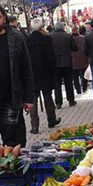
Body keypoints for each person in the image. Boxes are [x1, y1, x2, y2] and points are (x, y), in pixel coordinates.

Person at [0, 6, 34, 147]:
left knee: (14, 143)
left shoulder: (16, 37)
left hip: (11, 99)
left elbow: (26, 69)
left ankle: (14, 169)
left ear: (4, 17)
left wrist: (29, 98)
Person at [26, 18, 61, 134]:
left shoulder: (27, 41)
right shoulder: (46, 40)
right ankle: (51, 120)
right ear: (41, 28)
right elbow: (52, 58)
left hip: (32, 74)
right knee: (48, 97)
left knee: (33, 100)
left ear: (31, 27)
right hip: (45, 73)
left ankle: (34, 126)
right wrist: (52, 71)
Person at [49, 22, 78, 109]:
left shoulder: (50, 37)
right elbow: (75, 48)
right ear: (63, 28)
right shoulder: (68, 36)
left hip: (55, 63)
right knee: (68, 82)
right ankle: (71, 100)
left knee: (57, 84)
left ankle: (58, 102)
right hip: (67, 62)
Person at [71, 26, 88, 94]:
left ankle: (78, 89)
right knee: (84, 75)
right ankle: (84, 88)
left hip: (73, 60)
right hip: (83, 59)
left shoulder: (70, 38)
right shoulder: (83, 38)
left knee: (75, 76)